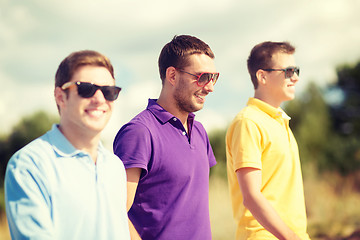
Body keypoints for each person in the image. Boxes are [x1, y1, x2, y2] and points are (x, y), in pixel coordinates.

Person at [5, 50, 130, 240]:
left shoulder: (115, 167)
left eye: (109, 92)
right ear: (60, 97)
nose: (99, 99)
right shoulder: (28, 165)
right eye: (86, 89)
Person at [113, 35, 219, 240]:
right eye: (203, 77)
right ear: (172, 75)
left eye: (214, 78)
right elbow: (116, 213)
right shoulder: (139, 132)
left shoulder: (199, 132)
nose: (210, 87)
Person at [226, 41, 311, 240]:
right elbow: (252, 197)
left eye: (296, 70)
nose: (296, 78)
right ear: (262, 76)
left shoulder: (280, 121)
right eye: (289, 71)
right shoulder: (248, 122)